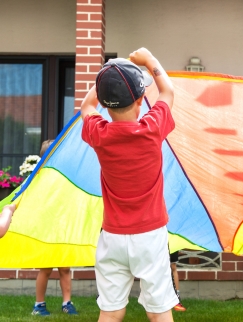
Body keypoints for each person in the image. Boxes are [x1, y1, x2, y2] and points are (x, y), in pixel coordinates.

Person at [80, 48, 178, 322]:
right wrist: (150, 60)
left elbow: (86, 107)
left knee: (110, 312)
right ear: (141, 99)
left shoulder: (99, 133)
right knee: (159, 312)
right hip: (150, 235)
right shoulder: (152, 129)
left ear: (107, 104)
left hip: (111, 238)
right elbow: (168, 92)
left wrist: (107, 76)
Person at [32, 139, 78, 316]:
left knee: (65, 267)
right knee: (46, 268)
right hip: (46, 229)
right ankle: (39, 305)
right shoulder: (38, 177)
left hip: (63, 227)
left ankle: (67, 302)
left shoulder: (65, 176)